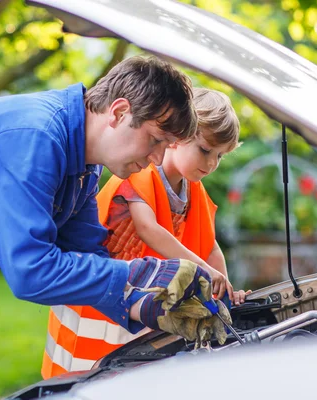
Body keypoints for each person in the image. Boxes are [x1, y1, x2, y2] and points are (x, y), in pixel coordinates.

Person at [0, 56, 230, 400]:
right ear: (119, 113)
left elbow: (86, 253)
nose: (157, 159)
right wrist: (143, 276)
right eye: (154, 141)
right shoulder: (35, 138)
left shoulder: (82, 164)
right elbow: (31, 270)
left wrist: (152, 303)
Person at [43, 88, 249, 377]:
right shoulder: (141, 170)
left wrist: (224, 286)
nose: (212, 163)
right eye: (205, 150)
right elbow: (148, 228)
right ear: (178, 137)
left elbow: (209, 244)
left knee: (129, 374)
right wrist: (203, 268)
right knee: (83, 376)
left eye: (220, 156)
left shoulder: (194, 190)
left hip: (140, 301)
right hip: (101, 294)